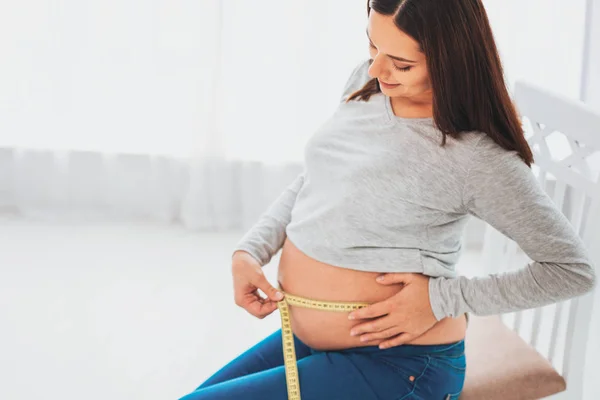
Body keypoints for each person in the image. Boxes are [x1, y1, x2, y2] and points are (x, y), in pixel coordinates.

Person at [178, 0, 597, 399]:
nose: (377, 70)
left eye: (402, 62)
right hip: (312, 338)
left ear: (452, 59)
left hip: (401, 364)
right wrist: (251, 249)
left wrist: (441, 299)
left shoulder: (476, 156)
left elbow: (572, 271)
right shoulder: (368, 82)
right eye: (372, 45)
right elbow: (320, 179)